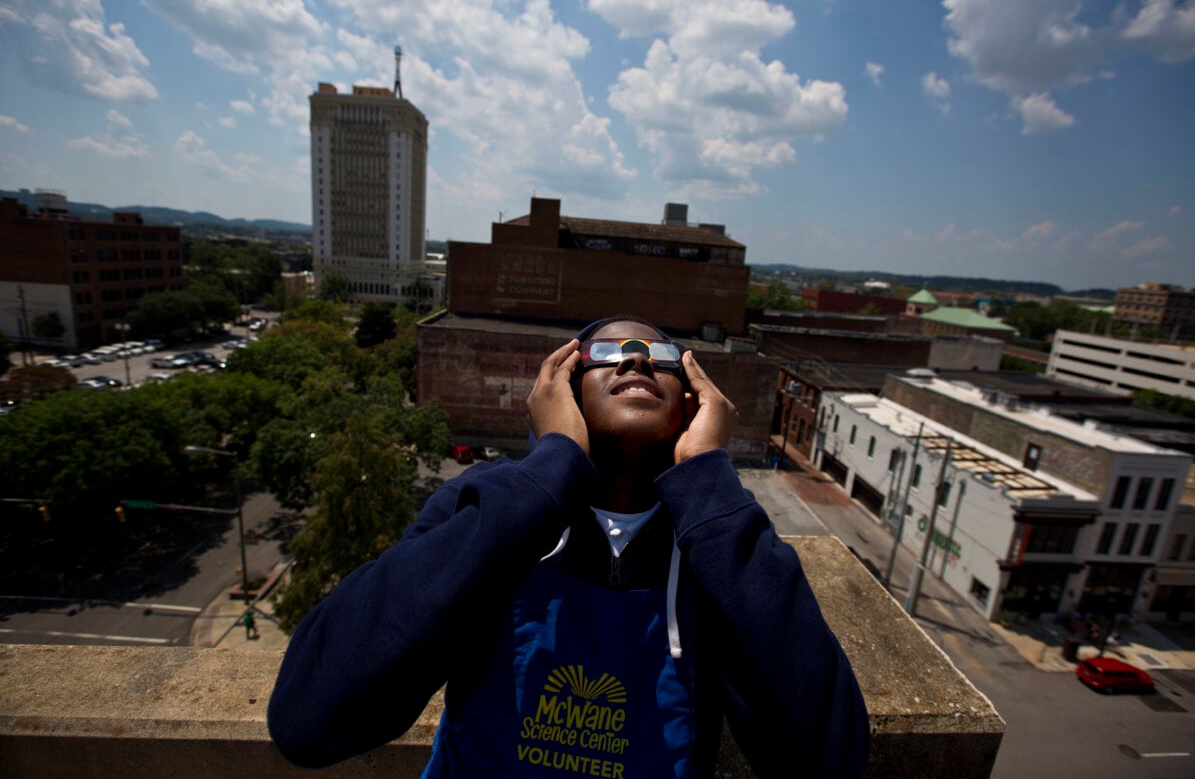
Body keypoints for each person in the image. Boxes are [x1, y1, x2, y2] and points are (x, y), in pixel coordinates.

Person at [268, 316, 869, 777]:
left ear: (694, 403)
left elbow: (827, 758)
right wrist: (548, 465)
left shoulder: (720, 541)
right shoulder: (489, 511)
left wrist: (708, 478)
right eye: (606, 353)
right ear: (561, 394)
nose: (635, 357)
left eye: (660, 356)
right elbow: (309, 717)